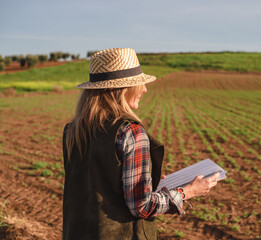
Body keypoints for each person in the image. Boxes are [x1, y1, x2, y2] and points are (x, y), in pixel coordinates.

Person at [62, 48, 219, 240]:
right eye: (139, 83)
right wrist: (189, 191)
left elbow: (97, 186)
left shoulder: (73, 130)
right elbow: (142, 207)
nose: (144, 89)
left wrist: (149, 185)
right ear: (123, 89)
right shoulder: (130, 131)